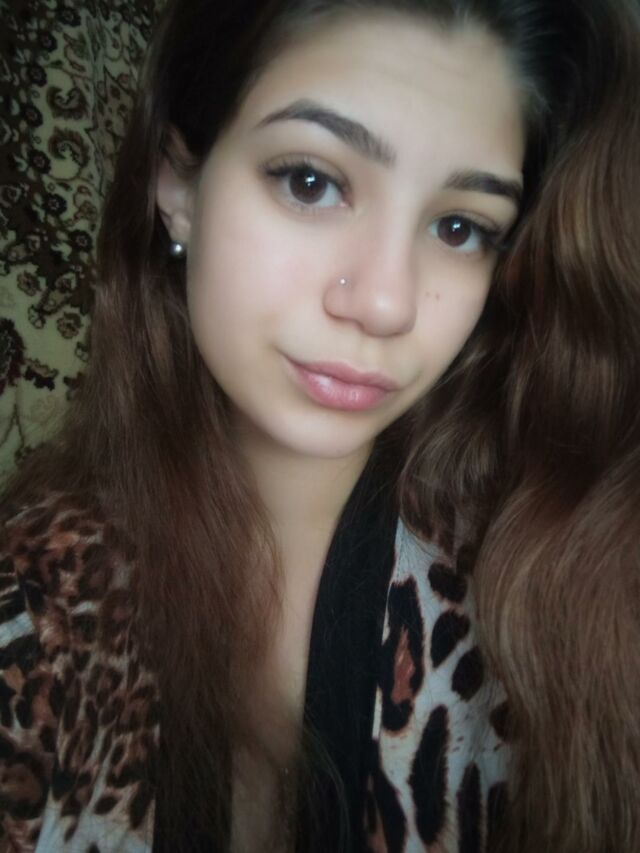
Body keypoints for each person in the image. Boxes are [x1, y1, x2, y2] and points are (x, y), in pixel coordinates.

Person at [1, 0, 639, 850]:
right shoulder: (33, 613)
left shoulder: (554, 590)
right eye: (311, 181)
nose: (384, 302)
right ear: (179, 186)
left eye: (460, 227)